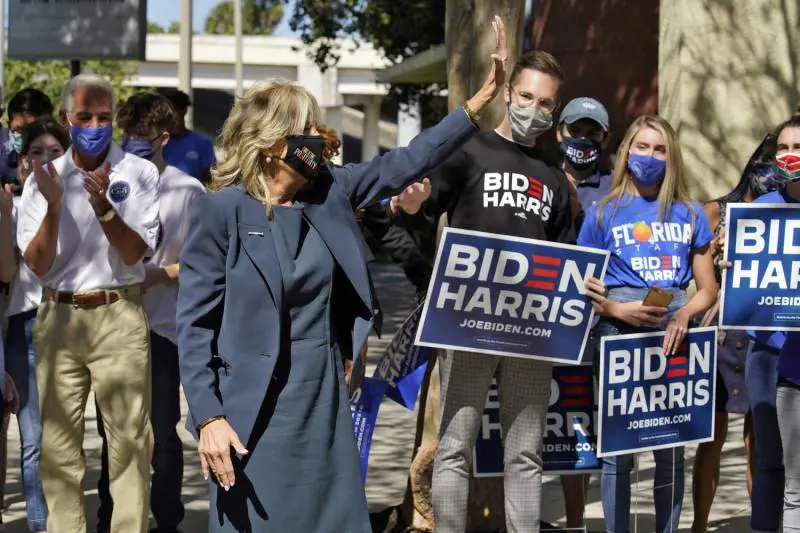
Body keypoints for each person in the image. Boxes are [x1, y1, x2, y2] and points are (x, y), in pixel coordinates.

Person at [176, 16, 509, 533]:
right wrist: (208, 417)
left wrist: (476, 106)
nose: (320, 139)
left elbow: (407, 160)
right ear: (273, 143)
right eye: (308, 129)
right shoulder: (220, 212)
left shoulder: (330, 191)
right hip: (252, 411)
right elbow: (194, 328)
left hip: (324, 397)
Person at [389, 51, 607, 533]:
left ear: (555, 110)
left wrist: (584, 283)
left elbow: (564, 253)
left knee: (525, 453)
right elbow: (417, 215)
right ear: (508, 93)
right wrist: (413, 207)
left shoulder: (553, 177)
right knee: (454, 447)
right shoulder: (469, 151)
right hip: (468, 322)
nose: (534, 108)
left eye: (545, 103)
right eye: (526, 96)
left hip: (532, 331)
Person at [16, 74, 160, 533]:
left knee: (130, 444)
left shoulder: (138, 173)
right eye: (84, 117)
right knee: (57, 450)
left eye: (103, 117)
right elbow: (37, 264)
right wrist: (56, 205)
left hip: (118, 314)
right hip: (58, 317)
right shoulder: (43, 179)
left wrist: (103, 208)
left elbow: (135, 253)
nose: (95, 127)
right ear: (66, 119)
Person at [577, 114, 717, 533]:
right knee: (617, 452)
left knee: (671, 449)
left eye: (659, 149)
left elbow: (708, 290)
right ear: (626, 152)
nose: (650, 156)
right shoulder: (601, 213)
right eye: (641, 146)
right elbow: (583, 289)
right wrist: (616, 310)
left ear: (671, 157)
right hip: (617, 332)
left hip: (675, 331)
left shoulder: (690, 213)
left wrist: (685, 314)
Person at [92, 92, 206, 533]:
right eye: (128, 135)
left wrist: (157, 275)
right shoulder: (108, 185)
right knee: (113, 433)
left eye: (143, 135)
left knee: (161, 433)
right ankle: (110, 518)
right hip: (111, 325)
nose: (134, 143)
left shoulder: (187, 191)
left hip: (161, 328)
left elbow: (202, 264)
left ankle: (167, 518)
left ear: (163, 137)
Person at [690, 133, 780, 533]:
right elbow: (697, 274)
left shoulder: (786, 214)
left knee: (758, 439)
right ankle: (699, 524)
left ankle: (762, 521)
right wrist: (716, 253)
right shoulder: (716, 210)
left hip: (763, 332)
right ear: (752, 162)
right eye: (764, 159)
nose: (769, 169)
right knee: (711, 435)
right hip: (721, 334)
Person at [1, 116, 69, 533]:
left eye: (55, 152)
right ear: (24, 160)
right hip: (24, 326)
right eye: (37, 152)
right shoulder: (15, 203)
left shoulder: (82, 199)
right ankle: (39, 524)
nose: (46, 160)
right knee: (33, 440)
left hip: (69, 324)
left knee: (63, 439)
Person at [555, 96, 613, 530]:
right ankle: (575, 523)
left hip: (608, 321)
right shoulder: (543, 179)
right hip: (556, 322)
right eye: (576, 130)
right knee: (569, 429)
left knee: (608, 428)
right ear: (560, 132)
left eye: (593, 132)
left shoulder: (618, 188)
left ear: (605, 139)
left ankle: (611, 518)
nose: (583, 139)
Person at [156, 88, 215, 184]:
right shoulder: (156, 143)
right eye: (165, 112)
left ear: (184, 110)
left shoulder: (203, 143)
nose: (169, 116)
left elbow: (209, 181)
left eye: (174, 110)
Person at [6, 88, 55, 182]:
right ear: (9, 126)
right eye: (19, 130)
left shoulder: (61, 164)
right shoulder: (4, 169)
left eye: (32, 130)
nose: (25, 136)